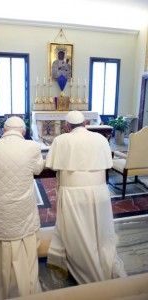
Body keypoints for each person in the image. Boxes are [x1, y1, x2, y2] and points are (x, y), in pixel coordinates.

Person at [45, 110, 126, 284]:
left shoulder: (61, 140)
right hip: (100, 192)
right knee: (99, 229)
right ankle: (103, 261)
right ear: (85, 124)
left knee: (78, 233)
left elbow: (50, 165)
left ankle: (88, 272)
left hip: (73, 194)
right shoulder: (100, 139)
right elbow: (108, 163)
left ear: (67, 127)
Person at [0, 116, 45, 300]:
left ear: (3, 131)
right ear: (23, 131)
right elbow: (39, 168)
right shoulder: (32, 147)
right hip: (22, 208)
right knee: (22, 235)